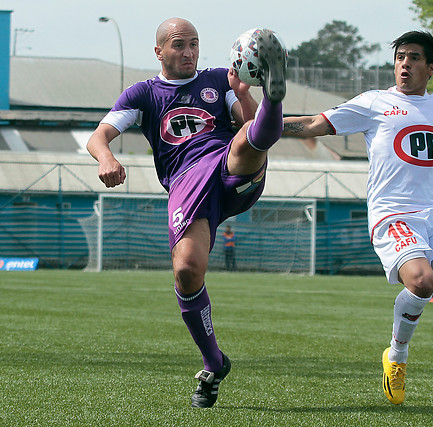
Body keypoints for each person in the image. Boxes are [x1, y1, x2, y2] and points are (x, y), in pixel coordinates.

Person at [282, 31, 433, 408]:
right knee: (422, 282)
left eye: (414, 58)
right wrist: (258, 128)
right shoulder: (375, 103)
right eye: (400, 57)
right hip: (393, 214)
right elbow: (313, 124)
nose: (405, 64)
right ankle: (396, 356)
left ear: (431, 67)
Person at [86, 18, 287, 408]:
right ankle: (214, 361)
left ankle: (276, 95)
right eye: (179, 45)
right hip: (186, 185)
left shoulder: (216, 79)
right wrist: (106, 157)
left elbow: (249, 125)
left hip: (229, 168)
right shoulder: (143, 94)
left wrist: (245, 94)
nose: (189, 52)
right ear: (159, 51)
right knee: (186, 269)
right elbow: (99, 135)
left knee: (248, 138)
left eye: (194, 44)